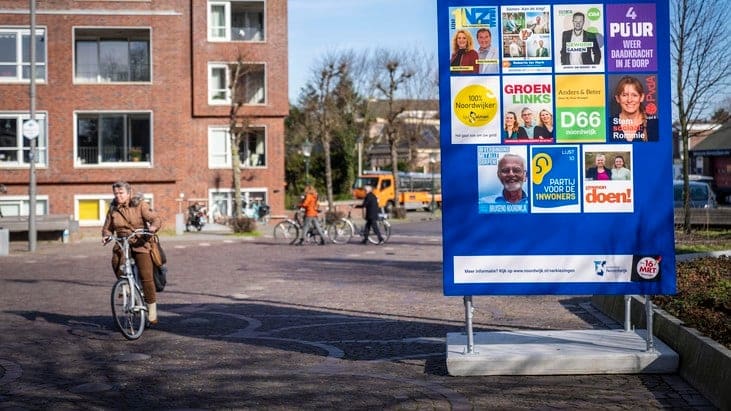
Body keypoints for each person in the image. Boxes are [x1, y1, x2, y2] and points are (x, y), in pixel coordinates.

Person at [101, 181, 162, 324]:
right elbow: (107, 227)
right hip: (123, 243)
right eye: (116, 193)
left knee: (146, 276)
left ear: (129, 193)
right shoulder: (113, 209)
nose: (118, 196)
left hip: (141, 242)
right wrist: (106, 235)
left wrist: (153, 227)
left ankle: (151, 308)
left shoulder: (140, 205)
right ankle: (126, 286)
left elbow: (155, 218)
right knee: (116, 262)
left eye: (121, 193)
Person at [610, 76, 649, 142]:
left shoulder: (653, 124)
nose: (629, 100)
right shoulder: (609, 125)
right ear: (617, 98)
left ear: (641, 97)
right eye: (624, 95)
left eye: (634, 95)